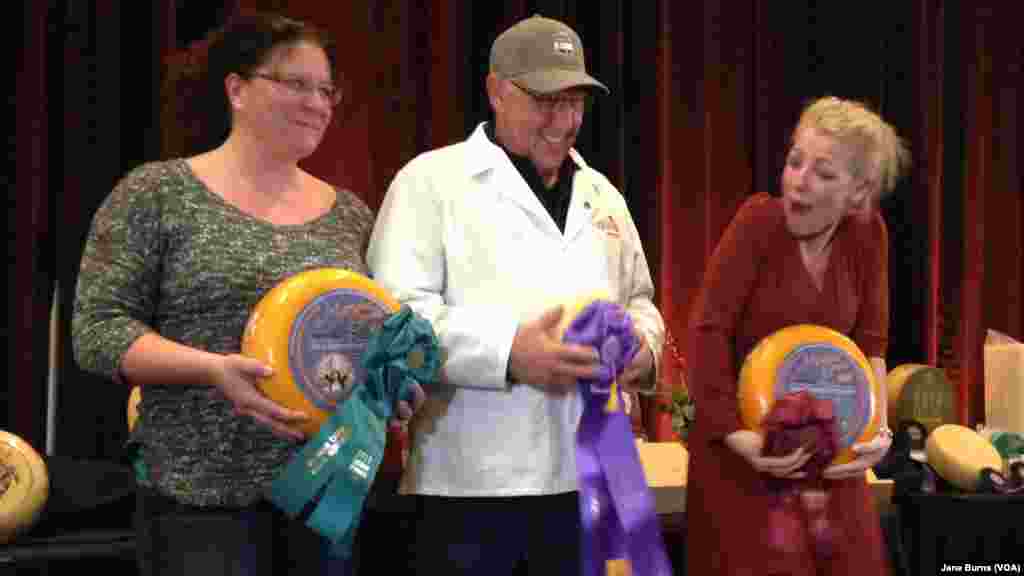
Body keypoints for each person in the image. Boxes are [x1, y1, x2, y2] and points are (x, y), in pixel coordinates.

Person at [71, 12, 421, 576]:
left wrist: (389, 386)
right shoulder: (156, 193)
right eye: (296, 85)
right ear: (237, 89)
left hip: (324, 500)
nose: (318, 103)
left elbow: (369, 335)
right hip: (199, 503)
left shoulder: (352, 216)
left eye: (326, 90)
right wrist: (211, 369)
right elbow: (97, 331)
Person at [365, 14, 665, 575]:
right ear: (496, 90)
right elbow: (397, 316)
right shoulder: (428, 183)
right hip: (471, 487)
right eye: (545, 100)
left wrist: (639, 349)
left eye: (575, 101)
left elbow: (641, 301)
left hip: (593, 478)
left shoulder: (604, 195)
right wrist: (510, 353)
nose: (565, 120)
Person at [685, 95, 911, 575]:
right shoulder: (756, 222)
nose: (799, 181)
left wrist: (876, 430)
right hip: (740, 456)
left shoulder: (870, 236)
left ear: (858, 192)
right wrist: (737, 436)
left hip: (830, 459)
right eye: (794, 161)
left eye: (824, 173)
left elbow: (871, 345)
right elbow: (707, 334)